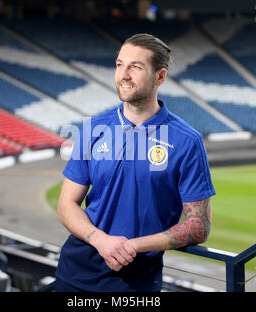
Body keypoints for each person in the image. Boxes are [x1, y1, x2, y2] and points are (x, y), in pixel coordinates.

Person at [54, 33, 216, 292]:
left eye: (135, 67)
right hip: (74, 275)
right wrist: (101, 241)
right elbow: (66, 204)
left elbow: (198, 226)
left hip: (136, 282)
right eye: (119, 65)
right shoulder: (93, 129)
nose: (123, 75)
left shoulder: (187, 141)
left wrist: (131, 246)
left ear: (160, 77)